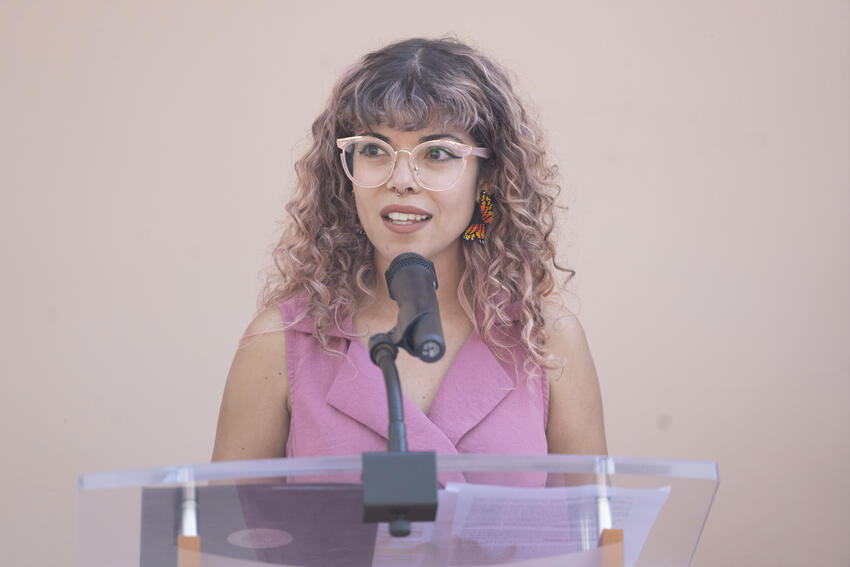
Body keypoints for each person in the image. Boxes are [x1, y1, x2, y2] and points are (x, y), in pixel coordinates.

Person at [212, 37, 607, 466]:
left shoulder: (547, 340)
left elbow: (597, 530)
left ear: (487, 179)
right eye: (373, 150)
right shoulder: (278, 342)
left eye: (437, 153)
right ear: (345, 174)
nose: (401, 179)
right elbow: (227, 530)